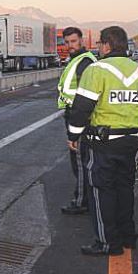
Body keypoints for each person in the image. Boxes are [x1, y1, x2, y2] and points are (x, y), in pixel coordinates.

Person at [67, 26, 138, 256]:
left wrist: (73, 136)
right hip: (131, 141)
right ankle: (128, 237)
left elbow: (81, 109)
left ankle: (108, 243)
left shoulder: (97, 70)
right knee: (124, 187)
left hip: (103, 142)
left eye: (99, 44)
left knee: (101, 190)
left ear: (106, 44)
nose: (98, 47)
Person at [57, 27, 97, 215]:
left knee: (80, 162)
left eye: (73, 41)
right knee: (79, 161)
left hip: (80, 118)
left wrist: (77, 125)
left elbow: (85, 95)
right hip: (74, 115)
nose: (70, 45)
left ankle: (82, 201)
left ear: (81, 40)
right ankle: (85, 198)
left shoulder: (85, 62)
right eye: (67, 42)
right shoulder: (76, 60)